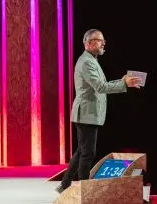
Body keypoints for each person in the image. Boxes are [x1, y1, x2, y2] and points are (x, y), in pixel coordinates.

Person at [58, 29, 141, 193]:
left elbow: (102, 84)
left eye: (103, 40)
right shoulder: (87, 62)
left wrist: (122, 81)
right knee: (87, 153)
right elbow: (101, 87)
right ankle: (84, 191)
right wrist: (123, 84)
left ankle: (64, 185)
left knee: (82, 151)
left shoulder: (90, 60)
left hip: (87, 113)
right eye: (99, 40)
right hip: (86, 113)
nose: (103, 43)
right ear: (88, 43)